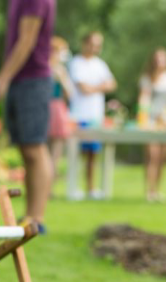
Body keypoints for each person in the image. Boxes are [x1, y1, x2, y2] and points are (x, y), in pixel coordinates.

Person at [0, 0, 55, 233]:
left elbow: (27, 41)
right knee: (27, 151)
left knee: (35, 148)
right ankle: (29, 215)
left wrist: (2, 79)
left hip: (33, 81)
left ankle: (37, 218)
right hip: (22, 81)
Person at [69, 31, 117, 200]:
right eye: (93, 44)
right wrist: (100, 86)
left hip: (96, 116)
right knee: (78, 154)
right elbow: (84, 88)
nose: (96, 48)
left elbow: (112, 84)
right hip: (79, 115)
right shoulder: (76, 63)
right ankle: (75, 187)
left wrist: (94, 87)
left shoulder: (100, 64)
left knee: (93, 154)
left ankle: (91, 188)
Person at [138, 48, 166, 202]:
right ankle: (149, 190)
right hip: (151, 121)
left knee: (163, 157)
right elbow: (144, 99)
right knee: (152, 156)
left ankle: (158, 189)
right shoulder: (147, 79)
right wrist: (143, 118)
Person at [47, 36, 74, 189]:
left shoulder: (60, 70)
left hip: (56, 108)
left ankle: (49, 187)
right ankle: (46, 187)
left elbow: (69, 93)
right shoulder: (50, 69)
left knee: (54, 153)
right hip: (52, 108)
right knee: (49, 152)